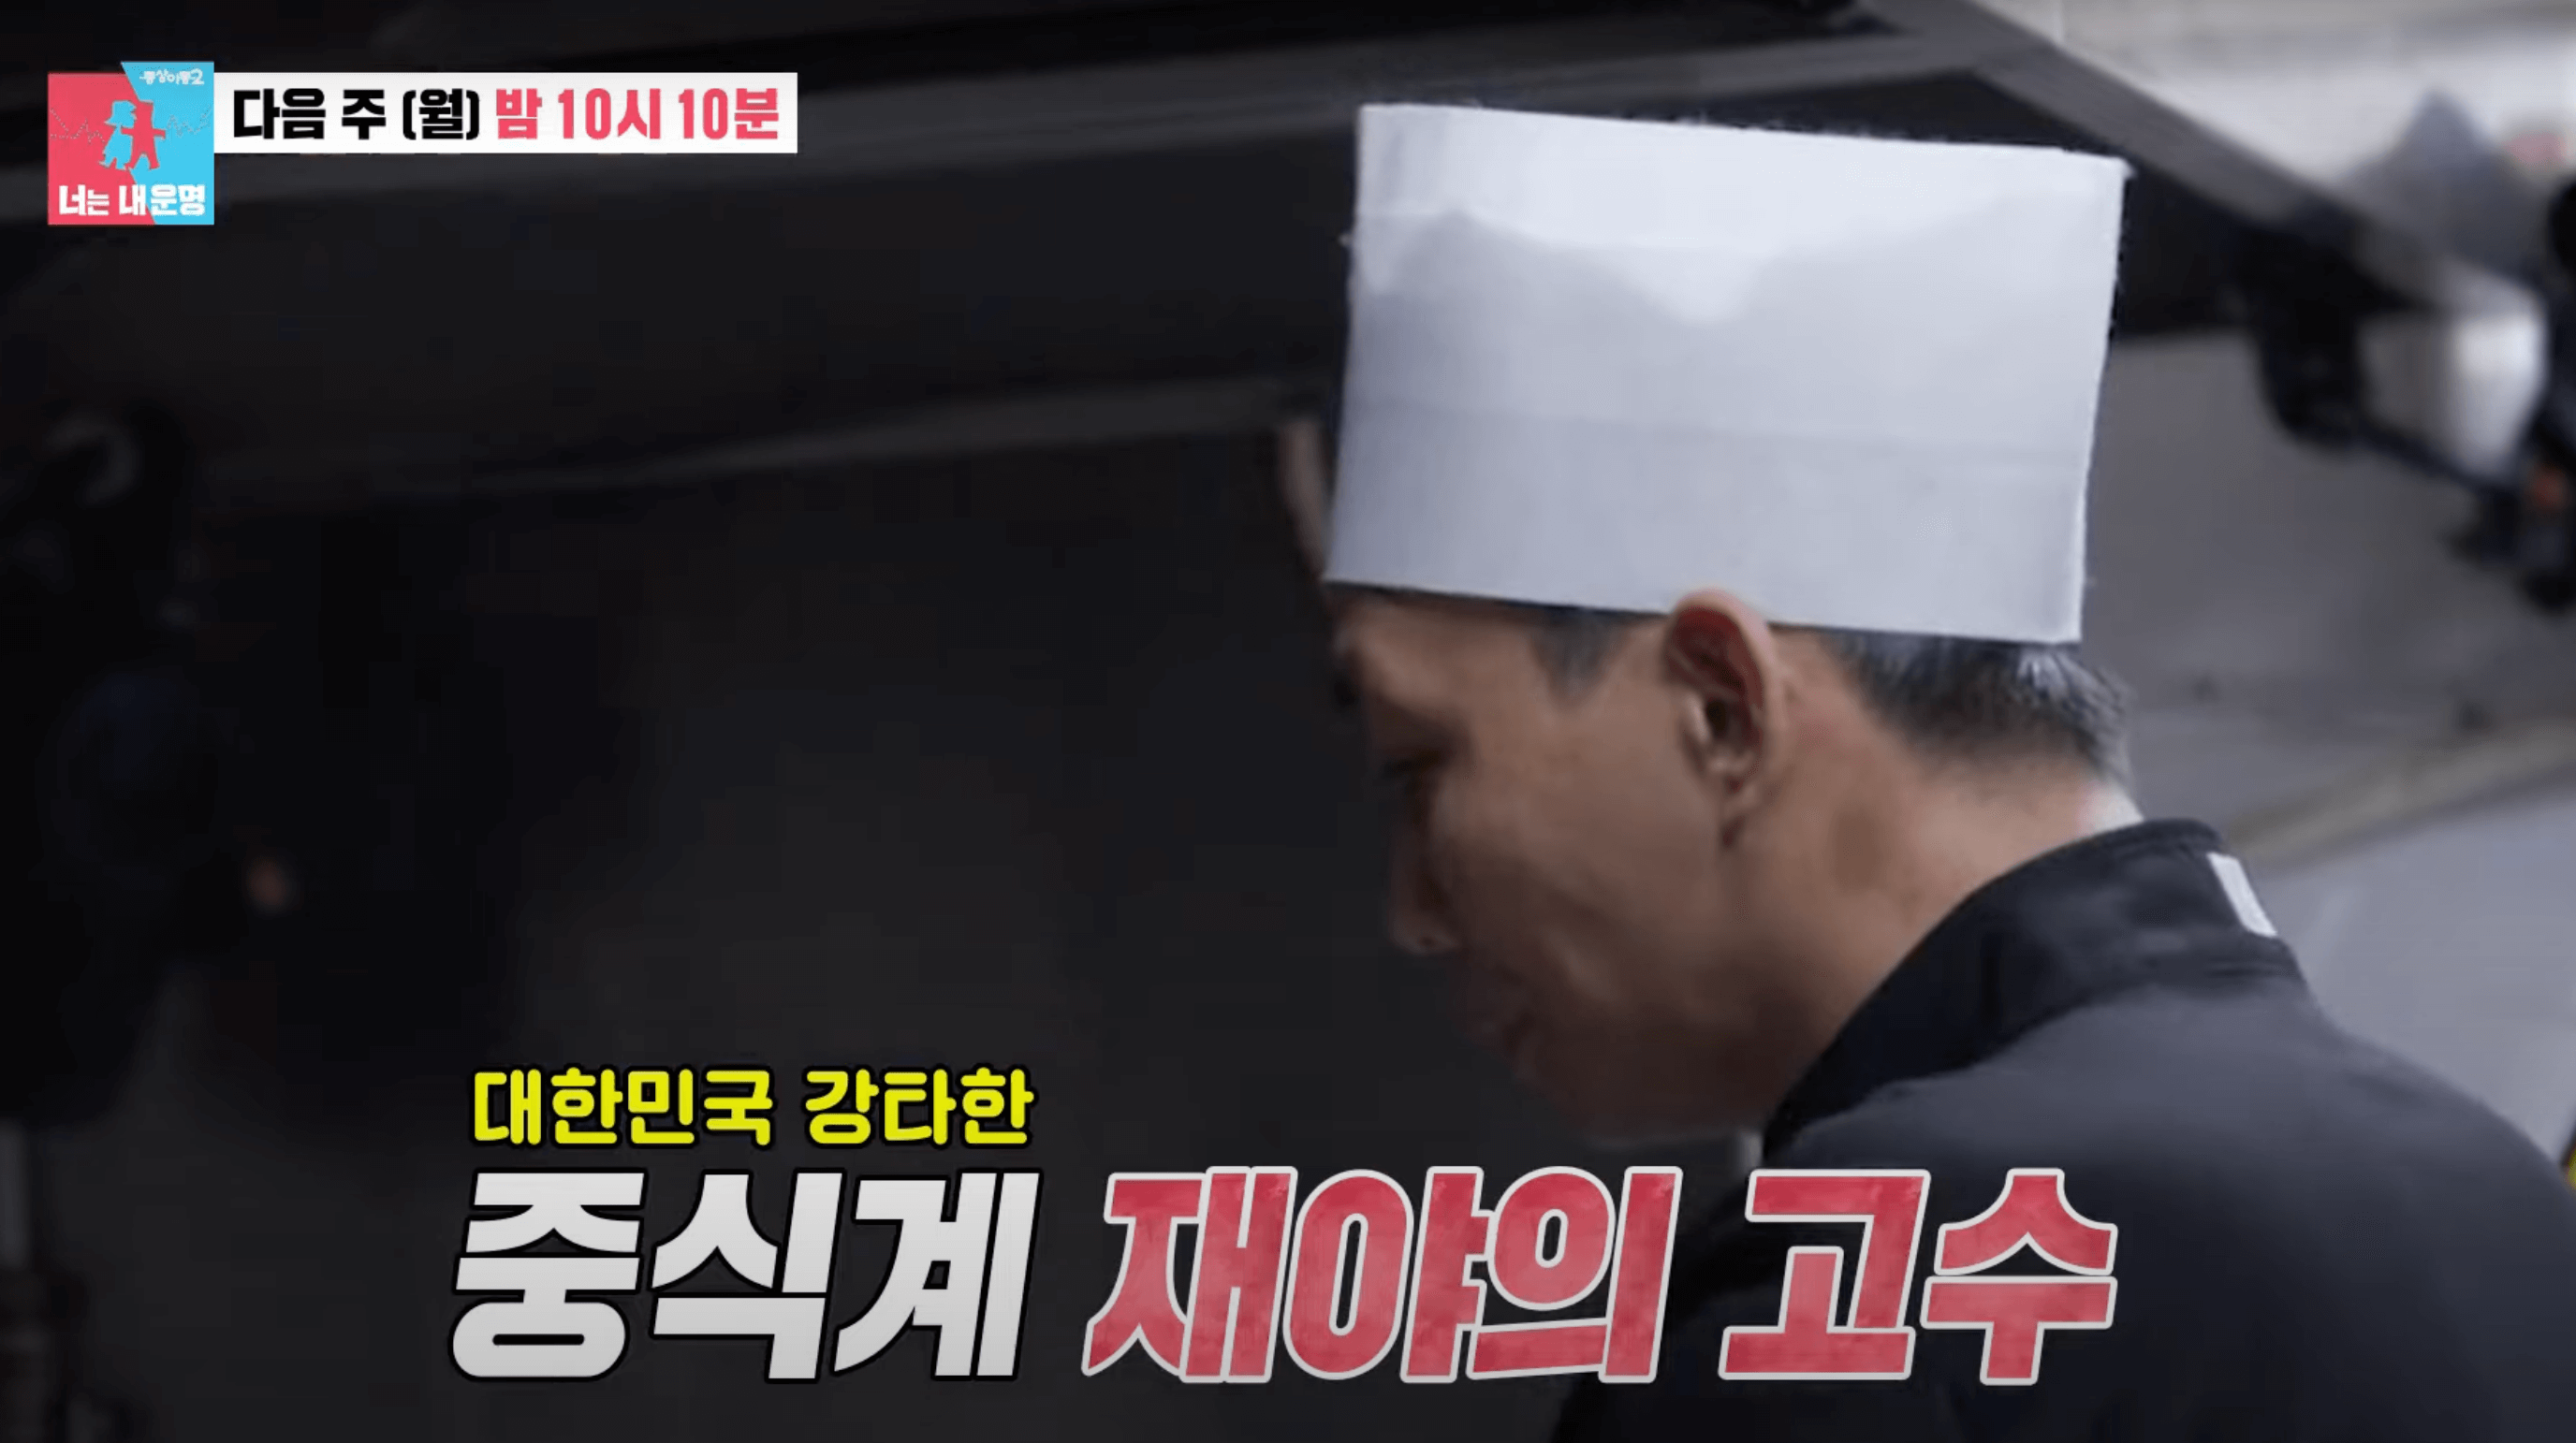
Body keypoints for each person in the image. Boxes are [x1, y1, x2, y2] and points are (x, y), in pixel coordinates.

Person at [1286, 104, 2576, 1440]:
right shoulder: (2493, 1191)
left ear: (1723, 709)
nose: (1412, 908)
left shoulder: (1873, 1307)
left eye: (1418, 763)